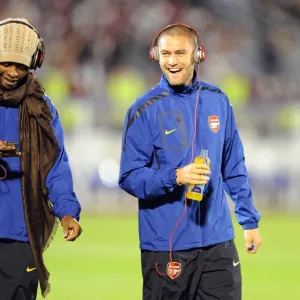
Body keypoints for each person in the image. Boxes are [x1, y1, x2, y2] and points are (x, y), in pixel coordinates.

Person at [119, 23, 262, 300]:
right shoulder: (143, 110)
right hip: (166, 248)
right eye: (165, 54)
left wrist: (249, 221)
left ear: (198, 55)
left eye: (180, 53)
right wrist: (175, 177)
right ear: (155, 55)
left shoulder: (218, 100)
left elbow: (233, 166)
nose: (172, 61)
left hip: (219, 244)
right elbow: (129, 177)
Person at [0, 18, 82, 299]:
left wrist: (67, 211)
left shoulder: (42, 109)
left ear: (34, 63)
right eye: (6, 63)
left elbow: (55, 166)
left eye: (21, 65)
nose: (13, 72)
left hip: (19, 231)